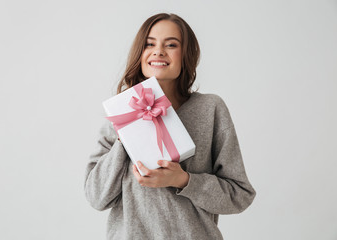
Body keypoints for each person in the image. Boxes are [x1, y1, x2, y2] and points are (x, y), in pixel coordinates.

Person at [84, 13, 256, 240]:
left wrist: (183, 180)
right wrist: (126, 134)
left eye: (171, 44)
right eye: (149, 44)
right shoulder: (121, 112)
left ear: (186, 55)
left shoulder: (210, 108)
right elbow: (96, 197)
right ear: (140, 52)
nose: (158, 51)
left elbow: (239, 195)